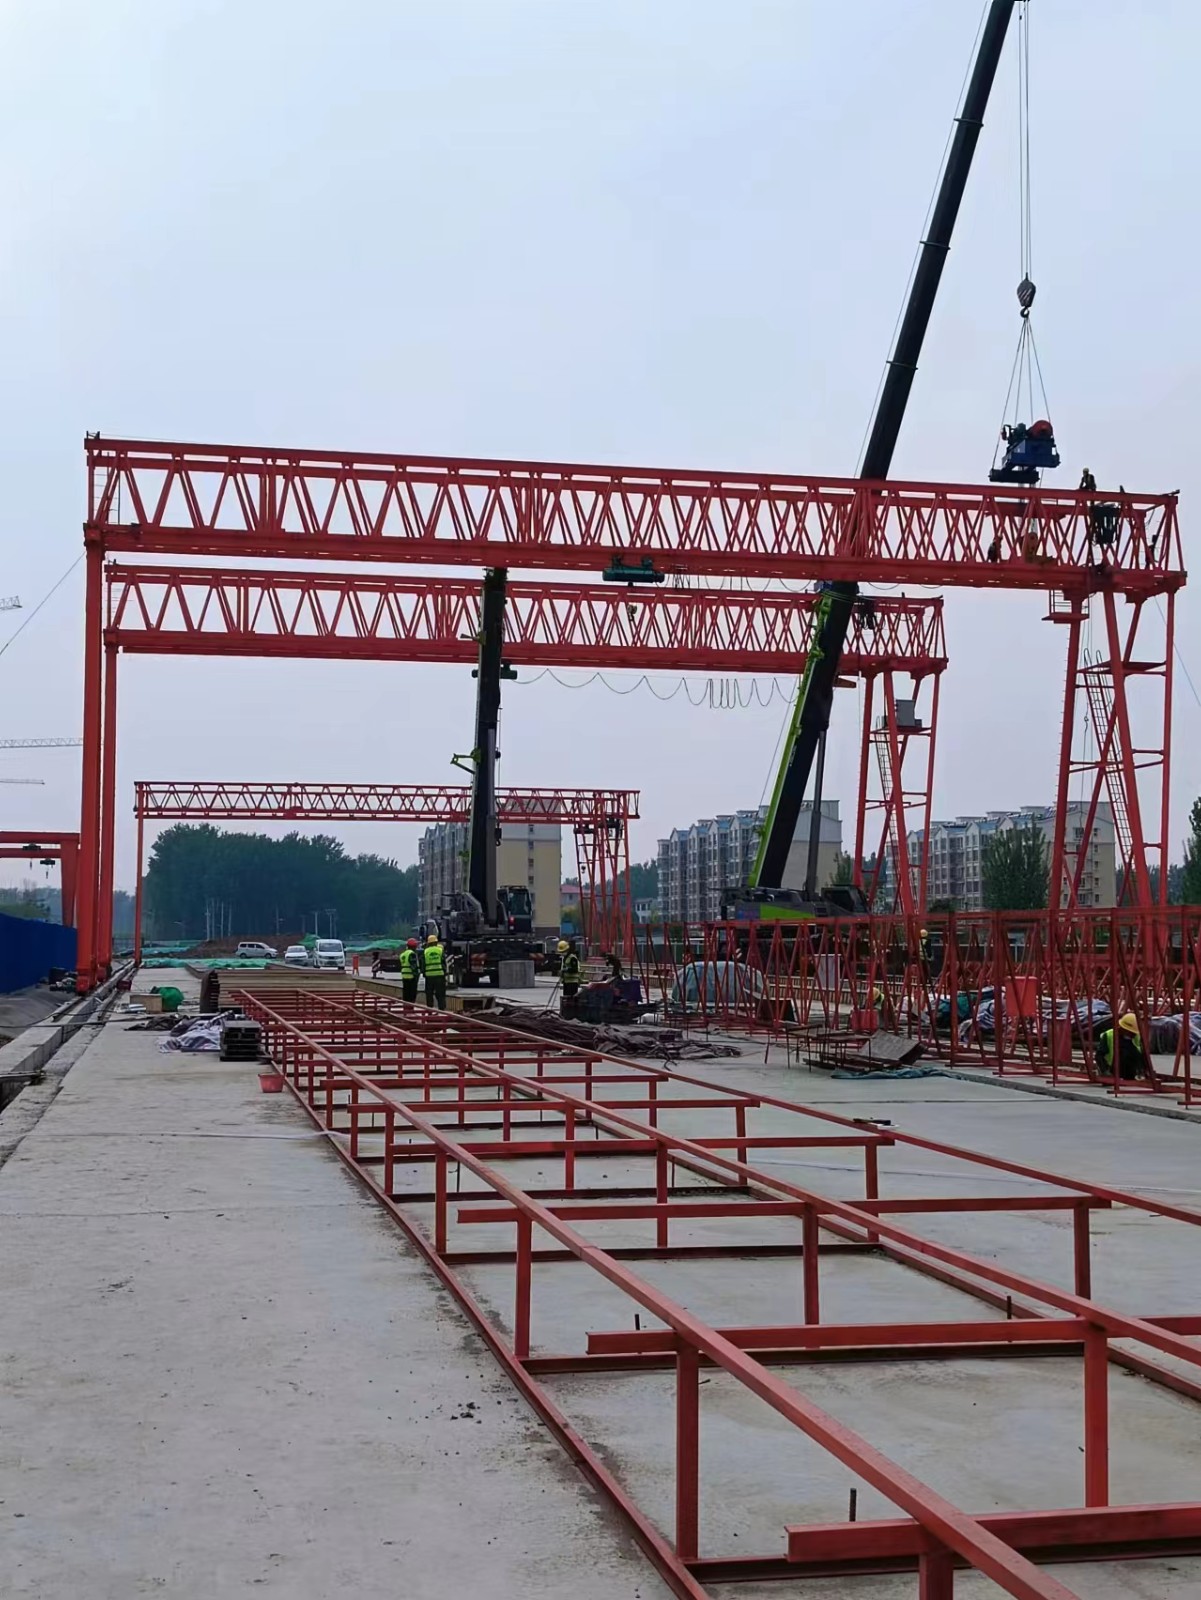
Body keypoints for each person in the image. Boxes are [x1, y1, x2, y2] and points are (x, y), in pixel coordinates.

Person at [1096, 1012, 1147, 1082]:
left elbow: (1141, 1056)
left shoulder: (1136, 1037)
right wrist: (1105, 1071)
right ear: (1123, 1028)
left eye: (1134, 1033)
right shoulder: (1109, 1035)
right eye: (1131, 1032)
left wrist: (1142, 1070)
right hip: (1112, 1070)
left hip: (1130, 1074)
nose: (1133, 1035)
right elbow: (1099, 1056)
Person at [422, 932, 447, 1010]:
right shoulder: (440, 950)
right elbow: (443, 963)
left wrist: (424, 973)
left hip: (429, 976)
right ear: (436, 942)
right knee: (440, 994)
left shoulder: (425, 951)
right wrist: (444, 973)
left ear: (428, 943)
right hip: (439, 975)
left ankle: (429, 1009)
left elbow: (423, 964)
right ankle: (442, 1009)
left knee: (429, 994)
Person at [399, 937, 421, 1004]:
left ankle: (405, 1007)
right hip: (411, 977)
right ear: (413, 946)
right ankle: (411, 1007)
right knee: (411, 995)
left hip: (404, 976)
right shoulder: (412, 954)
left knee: (406, 994)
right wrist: (417, 976)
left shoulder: (403, 954)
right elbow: (413, 967)